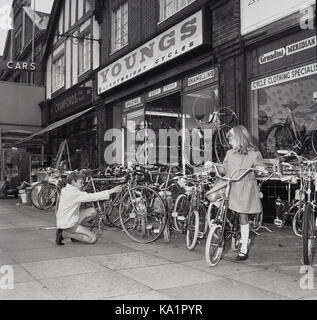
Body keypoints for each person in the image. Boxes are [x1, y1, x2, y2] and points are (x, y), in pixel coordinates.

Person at [206, 125, 267, 261]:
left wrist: (260, 169)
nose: (229, 143)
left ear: (239, 138)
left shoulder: (254, 153)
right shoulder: (230, 153)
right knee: (212, 195)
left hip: (245, 187)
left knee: (243, 216)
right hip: (231, 184)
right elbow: (224, 168)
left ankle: (244, 249)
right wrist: (214, 166)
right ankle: (224, 218)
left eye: (231, 139)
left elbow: (260, 165)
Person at [55, 171, 122, 245]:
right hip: (68, 224)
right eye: (81, 182)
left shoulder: (66, 189)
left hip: (69, 218)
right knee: (92, 239)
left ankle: (74, 233)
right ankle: (64, 234)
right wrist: (112, 191)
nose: (83, 184)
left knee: (92, 211)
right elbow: (91, 197)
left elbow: (84, 196)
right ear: (73, 182)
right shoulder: (74, 193)